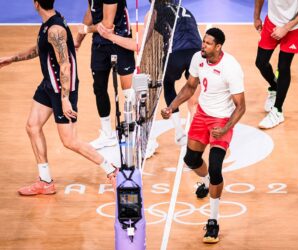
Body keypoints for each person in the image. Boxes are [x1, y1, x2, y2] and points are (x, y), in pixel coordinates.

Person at [0, 0, 117, 195]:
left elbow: (65, 66)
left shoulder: (55, 29)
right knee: (32, 126)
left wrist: (65, 98)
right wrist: (11, 59)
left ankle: (112, 170)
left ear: (36, 4)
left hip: (63, 88)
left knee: (70, 141)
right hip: (49, 84)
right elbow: (40, 49)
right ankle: (45, 181)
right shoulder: (51, 23)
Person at [161, 28, 246, 244]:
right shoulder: (197, 58)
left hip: (221, 121)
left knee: (216, 167)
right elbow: (190, 87)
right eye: (203, 42)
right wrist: (171, 107)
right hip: (202, 115)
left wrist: (226, 128)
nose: (203, 46)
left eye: (208, 43)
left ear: (218, 47)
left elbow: (241, 107)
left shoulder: (231, 68)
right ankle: (207, 182)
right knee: (191, 160)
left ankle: (213, 221)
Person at [98, 0, 202, 149]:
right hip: (197, 54)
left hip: (176, 54)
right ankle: (196, 137)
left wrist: (111, 37)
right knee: (193, 93)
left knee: (168, 84)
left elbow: (138, 45)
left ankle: (179, 133)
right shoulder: (185, 10)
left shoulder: (153, 12)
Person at [74, 0, 135, 149]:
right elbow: (91, 11)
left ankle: (134, 132)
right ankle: (107, 134)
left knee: (128, 90)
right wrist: (78, 41)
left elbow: (107, 25)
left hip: (120, 39)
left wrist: (86, 30)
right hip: (100, 43)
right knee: (99, 88)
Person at [254, 0, 298, 129]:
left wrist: (286, 28)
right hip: (273, 20)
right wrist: (256, 16)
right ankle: (275, 87)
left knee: (283, 66)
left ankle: (277, 111)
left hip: (295, 26)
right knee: (260, 62)